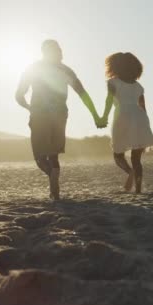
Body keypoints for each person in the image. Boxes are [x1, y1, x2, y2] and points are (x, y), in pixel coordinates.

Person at [15, 39, 103, 200]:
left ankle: (52, 181)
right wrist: (96, 115)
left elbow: (19, 95)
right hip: (60, 114)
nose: (61, 53)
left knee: (40, 158)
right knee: (53, 155)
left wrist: (29, 107)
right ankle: (54, 190)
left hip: (40, 115)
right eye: (59, 50)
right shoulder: (66, 70)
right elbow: (83, 94)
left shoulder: (33, 68)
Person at [99, 52, 153, 193]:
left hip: (122, 116)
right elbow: (143, 107)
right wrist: (146, 126)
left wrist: (104, 117)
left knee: (117, 155)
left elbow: (109, 101)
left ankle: (130, 172)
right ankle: (138, 190)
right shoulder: (139, 86)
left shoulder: (112, 83)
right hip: (140, 118)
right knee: (137, 158)